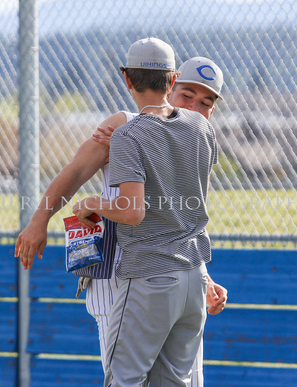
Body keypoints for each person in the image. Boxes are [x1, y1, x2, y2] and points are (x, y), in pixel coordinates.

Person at [15, 49, 226, 384]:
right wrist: (39, 220)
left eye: (205, 103)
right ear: (170, 85)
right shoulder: (125, 124)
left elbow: (185, 218)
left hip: (166, 272)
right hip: (116, 273)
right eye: (188, 94)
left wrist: (202, 275)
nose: (194, 107)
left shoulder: (193, 134)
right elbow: (74, 173)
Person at [71, 38, 219, 386]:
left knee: (124, 379)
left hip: (150, 276)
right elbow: (194, 208)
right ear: (173, 80)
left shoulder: (127, 133)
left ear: (126, 79)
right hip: (192, 279)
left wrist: (91, 204)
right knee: (175, 381)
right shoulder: (202, 129)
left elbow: (132, 211)